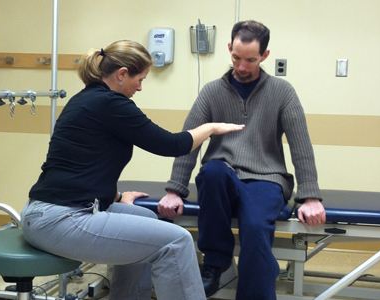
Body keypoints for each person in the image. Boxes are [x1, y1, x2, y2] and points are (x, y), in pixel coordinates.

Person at [20, 39, 245, 300]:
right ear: (122, 74)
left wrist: (116, 198)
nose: (140, 87)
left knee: (144, 218)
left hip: (43, 213)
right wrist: (211, 128)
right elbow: (172, 144)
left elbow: (82, 164)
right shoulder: (112, 104)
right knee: (177, 241)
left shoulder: (85, 99)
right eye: (140, 79)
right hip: (61, 220)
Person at [158, 21, 326, 300]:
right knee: (211, 172)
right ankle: (214, 263)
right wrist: (174, 190)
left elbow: (301, 146)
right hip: (222, 177)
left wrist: (310, 196)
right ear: (229, 49)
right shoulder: (212, 91)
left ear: (265, 56)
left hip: (266, 178)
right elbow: (189, 142)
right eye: (236, 58)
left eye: (251, 59)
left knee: (256, 227)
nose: (243, 66)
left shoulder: (282, 92)